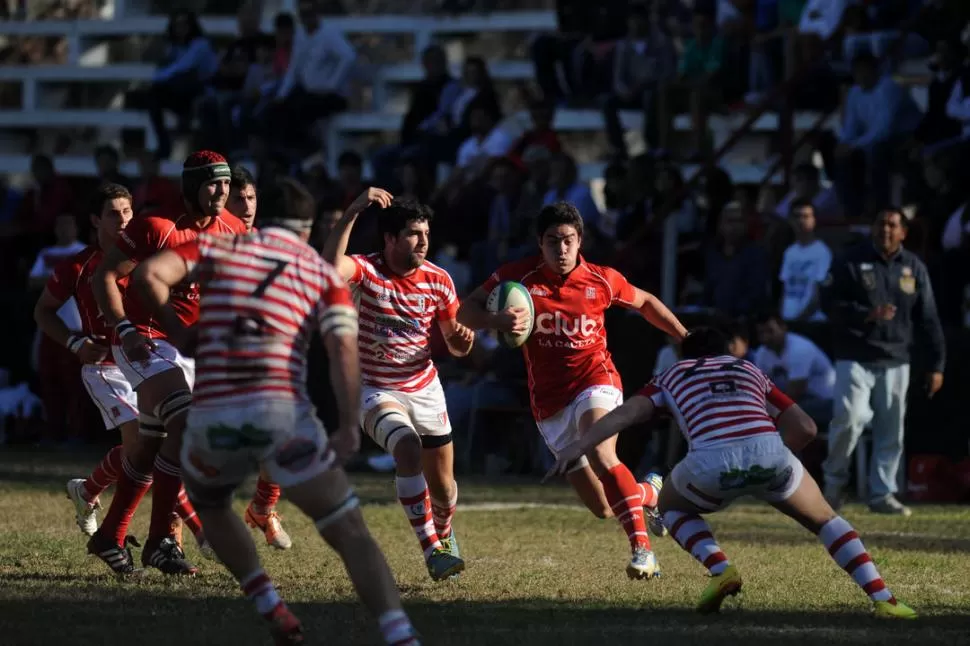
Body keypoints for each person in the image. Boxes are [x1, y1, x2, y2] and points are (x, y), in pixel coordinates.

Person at [131, 177, 421, 646]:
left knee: (210, 501)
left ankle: (267, 600)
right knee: (348, 531)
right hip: (281, 414)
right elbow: (343, 350)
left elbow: (148, 276)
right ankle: (400, 634)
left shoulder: (219, 248)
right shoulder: (319, 273)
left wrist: (179, 333)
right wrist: (349, 425)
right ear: (306, 229)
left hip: (217, 414)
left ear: (263, 221)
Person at [548, 327, 917, 620]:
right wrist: (772, 457)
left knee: (669, 506)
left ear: (684, 355)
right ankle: (885, 599)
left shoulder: (671, 375)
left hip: (711, 465)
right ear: (728, 350)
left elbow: (625, 415)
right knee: (827, 521)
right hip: (770, 455)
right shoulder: (749, 368)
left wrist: (576, 447)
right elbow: (804, 428)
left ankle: (721, 569)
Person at [457, 201, 688, 580]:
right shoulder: (518, 277)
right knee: (603, 507)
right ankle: (652, 493)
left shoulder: (602, 279)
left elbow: (644, 301)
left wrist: (683, 337)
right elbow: (465, 312)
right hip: (549, 403)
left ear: (580, 240)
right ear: (539, 243)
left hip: (596, 380)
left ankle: (643, 551)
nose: (561, 250)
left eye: (567, 241)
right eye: (552, 242)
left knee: (600, 450)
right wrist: (493, 320)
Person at [90, 151, 248, 576]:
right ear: (192, 185)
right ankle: (161, 539)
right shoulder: (157, 226)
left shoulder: (233, 231)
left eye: (227, 184)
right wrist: (123, 329)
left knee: (151, 446)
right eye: (213, 183)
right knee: (185, 420)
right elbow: (103, 276)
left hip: (189, 347)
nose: (221, 192)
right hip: (145, 340)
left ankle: (110, 534)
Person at [32, 184, 207, 549]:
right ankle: (201, 534)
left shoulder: (149, 262)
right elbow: (42, 311)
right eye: (114, 213)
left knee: (150, 449)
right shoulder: (78, 267)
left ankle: (89, 490)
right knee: (150, 446)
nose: (124, 220)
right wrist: (76, 342)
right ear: (96, 219)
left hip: (153, 363)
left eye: (128, 211)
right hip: (107, 368)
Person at [322, 189, 471, 581]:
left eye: (425, 233)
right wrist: (353, 209)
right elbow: (328, 265)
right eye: (412, 234)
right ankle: (432, 552)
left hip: (424, 387)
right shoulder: (366, 271)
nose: (422, 241)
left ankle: (445, 531)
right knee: (406, 446)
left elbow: (453, 343)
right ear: (388, 239)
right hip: (374, 388)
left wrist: (462, 341)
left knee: (444, 488)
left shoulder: (439, 280)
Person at [821, 208, 945, 516]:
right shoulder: (849, 260)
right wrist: (864, 314)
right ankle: (833, 488)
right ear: (871, 229)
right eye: (880, 224)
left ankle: (882, 494)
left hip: (896, 359)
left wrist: (937, 364)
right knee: (848, 421)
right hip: (855, 356)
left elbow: (928, 319)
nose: (885, 230)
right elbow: (828, 303)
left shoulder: (913, 267)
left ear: (903, 232)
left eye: (892, 225)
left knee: (891, 430)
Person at [222, 164, 293, 550]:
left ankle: (263, 509)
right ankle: (174, 534)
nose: (246, 204)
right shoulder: (209, 239)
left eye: (250, 197)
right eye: (238, 198)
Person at [753, 311, 835, 429]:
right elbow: (761, 389)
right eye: (761, 333)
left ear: (783, 328)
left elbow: (795, 391)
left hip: (824, 402)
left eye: (770, 331)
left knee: (784, 415)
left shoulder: (800, 349)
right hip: (798, 402)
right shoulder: (761, 353)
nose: (766, 337)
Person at [226, 166, 258, 232]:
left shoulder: (266, 240)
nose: (247, 206)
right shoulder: (213, 239)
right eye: (239, 199)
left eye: (250, 198)